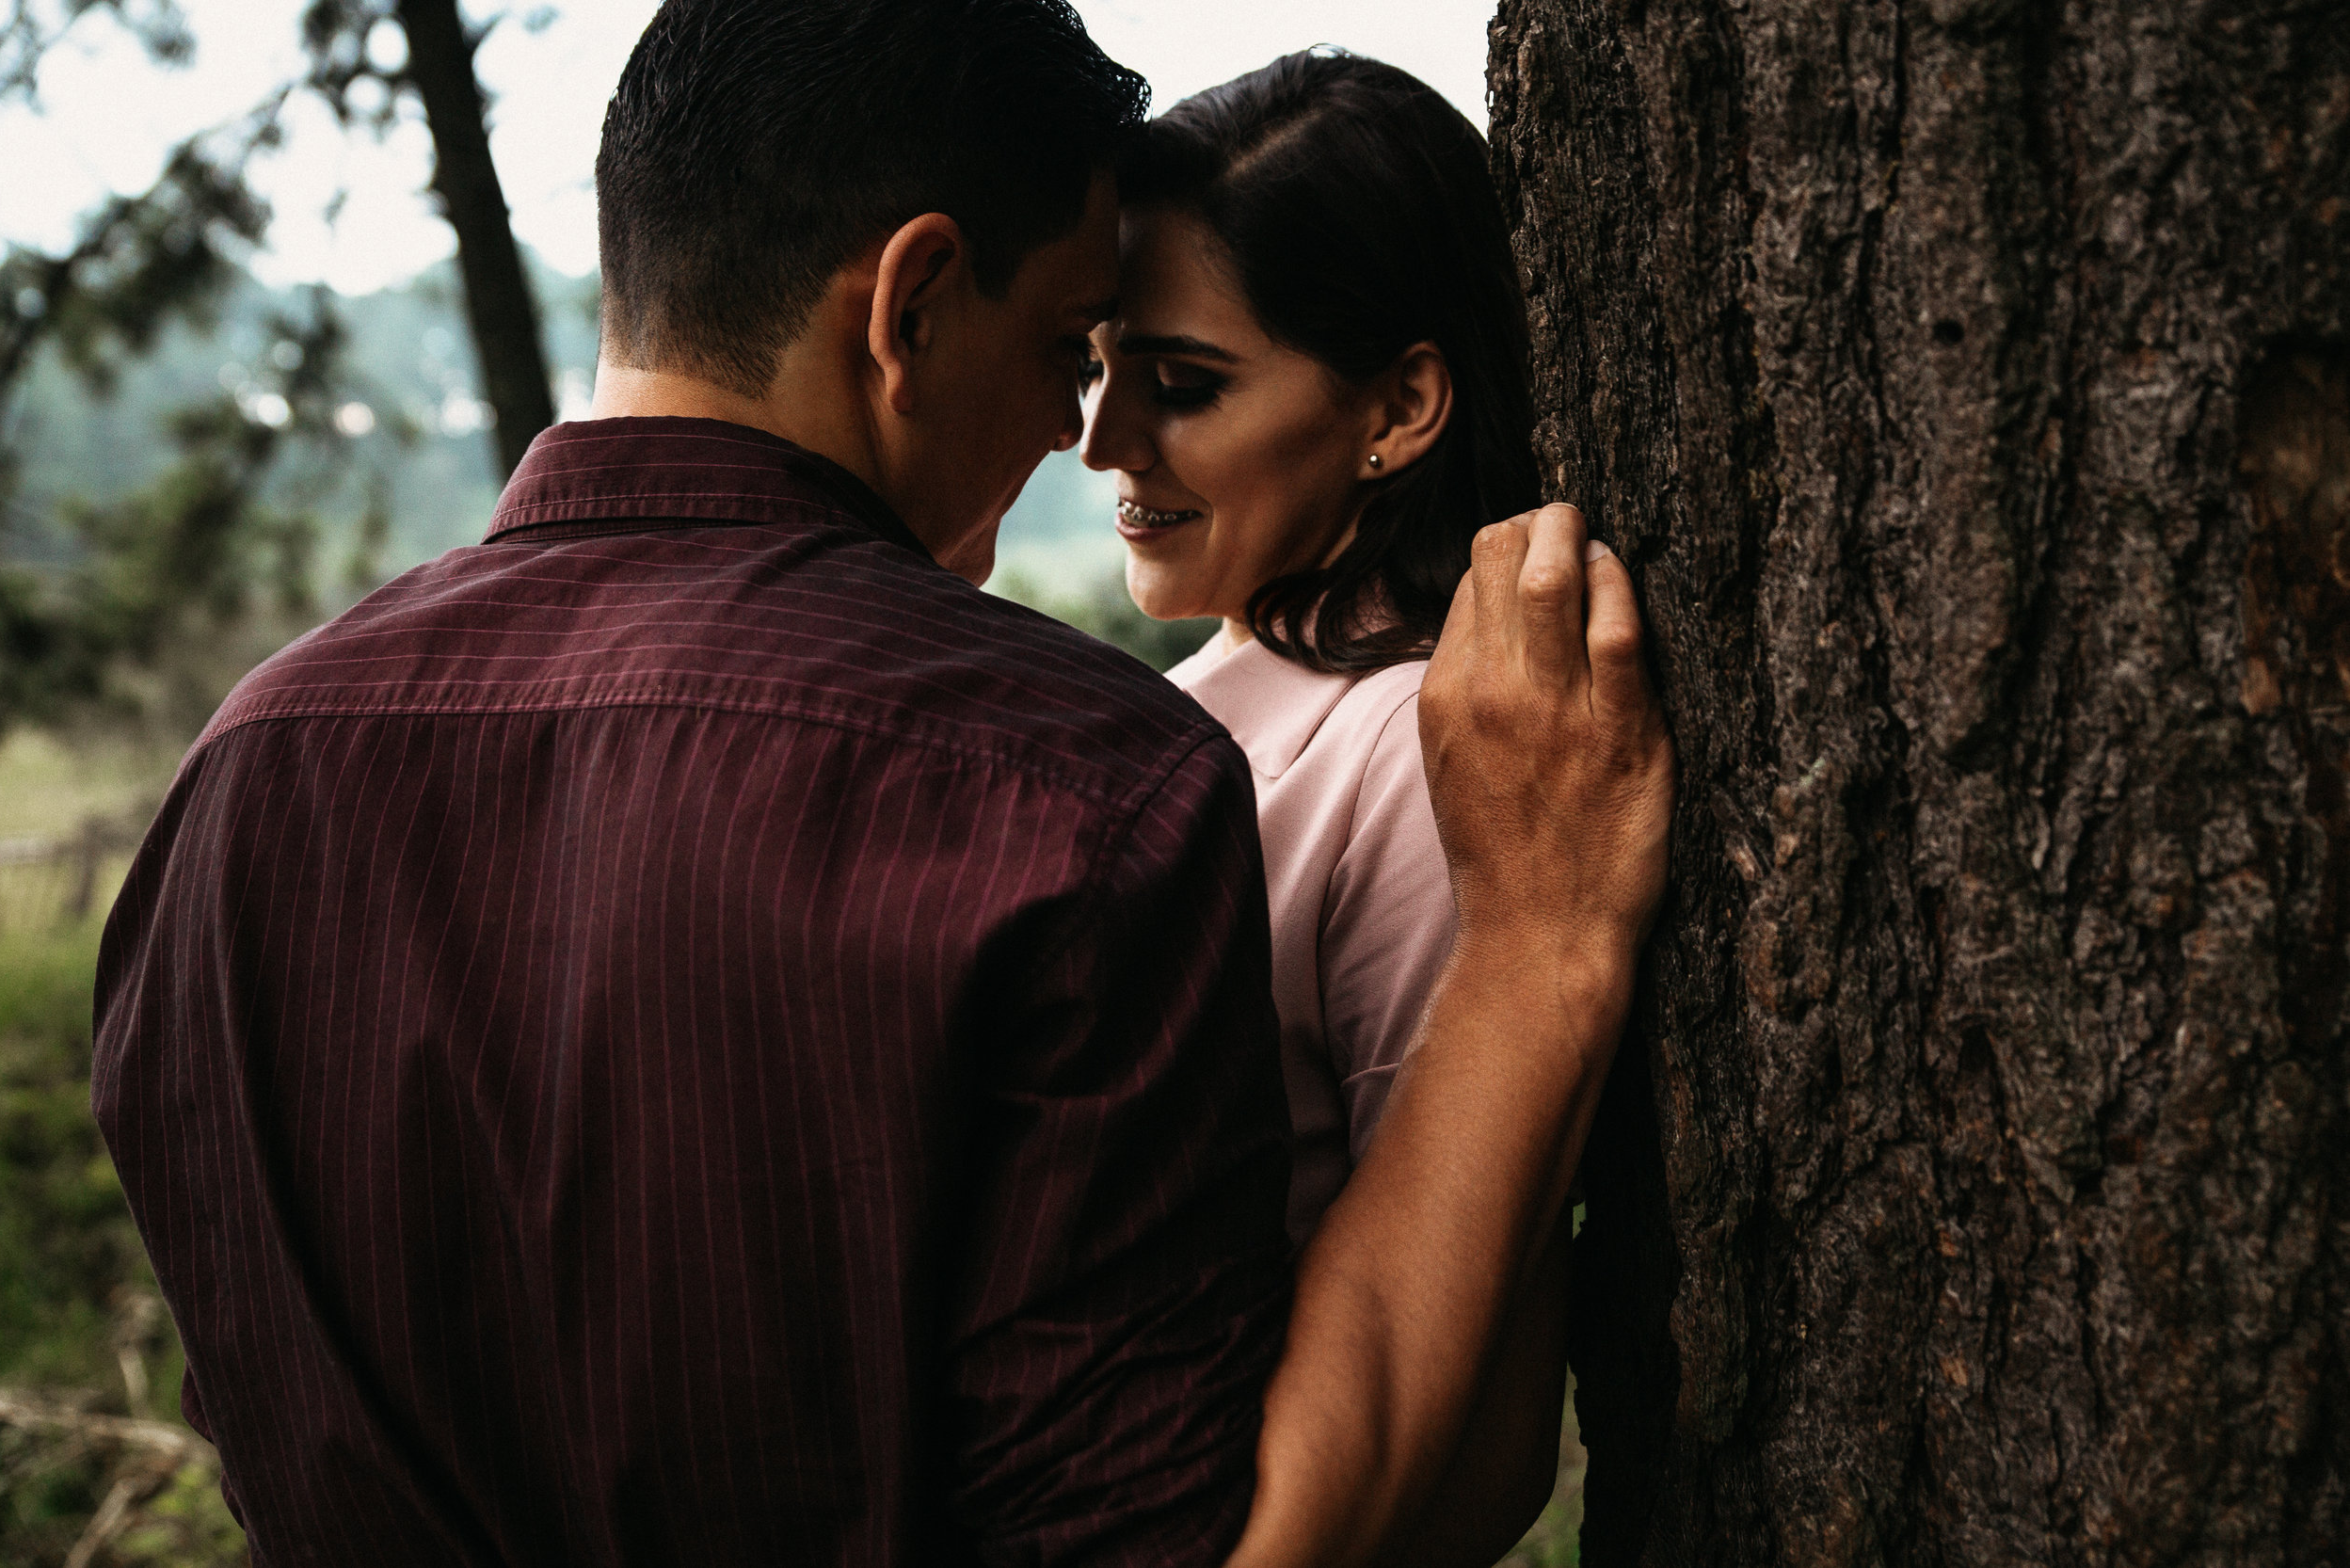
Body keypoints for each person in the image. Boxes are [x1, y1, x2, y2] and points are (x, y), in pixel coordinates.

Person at [89, 5, 1673, 1566]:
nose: (1079, 433)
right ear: (910, 304)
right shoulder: (1071, 791)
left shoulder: (236, 783)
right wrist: (1541, 948)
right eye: (1069, 351)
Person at [1080, 50, 1571, 1561]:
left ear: (1402, 404)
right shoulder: (1203, 710)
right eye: (1097, 368)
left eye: (1184, 385)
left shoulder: (1418, 758)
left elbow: (1476, 1393)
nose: (1102, 440)